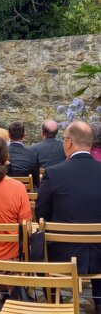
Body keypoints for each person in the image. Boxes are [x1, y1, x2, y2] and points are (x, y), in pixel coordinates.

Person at [35, 121, 101, 314]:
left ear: (69, 142)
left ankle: (55, 301)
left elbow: (41, 215)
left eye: (64, 139)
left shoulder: (54, 173)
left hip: (63, 255)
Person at [7, 121, 40, 190]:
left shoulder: (1, 153)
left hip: (6, 195)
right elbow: (37, 182)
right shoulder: (32, 155)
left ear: (9, 135)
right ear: (24, 135)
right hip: (26, 195)